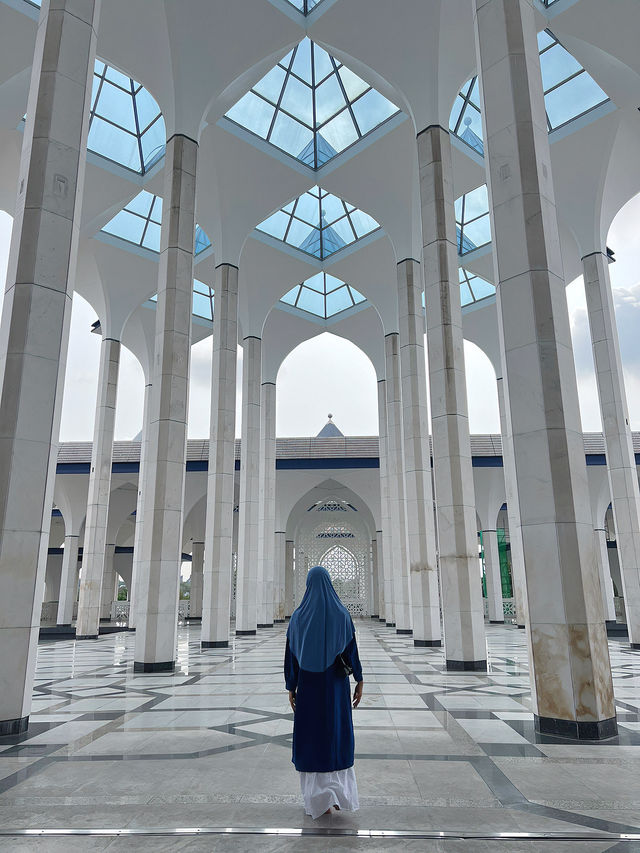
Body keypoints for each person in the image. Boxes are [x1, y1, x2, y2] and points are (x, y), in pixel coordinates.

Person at [284, 565, 364, 819]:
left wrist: (291, 686)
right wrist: (360, 680)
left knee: (312, 739)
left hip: (308, 688)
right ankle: (339, 795)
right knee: (335, 736)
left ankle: (317, 801)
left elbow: (291, 656)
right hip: (336, 687)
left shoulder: (298, 618)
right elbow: (352, 652)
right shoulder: (342, 615)